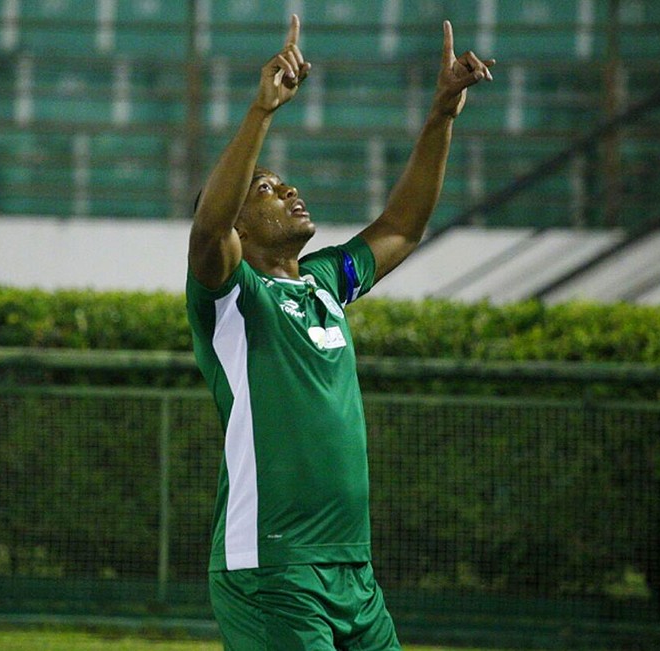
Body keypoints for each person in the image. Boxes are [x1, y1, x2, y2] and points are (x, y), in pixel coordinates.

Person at [185, 14, 494, 651]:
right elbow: (209, 232)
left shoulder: (326, 282)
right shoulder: (233, 296)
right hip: (273, 568)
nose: (288, 189)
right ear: (240, 223)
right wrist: (261, 111)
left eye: (282, 181)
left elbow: (403, 228)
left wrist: (441, 114)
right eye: (265, 189)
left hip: (354, 571)